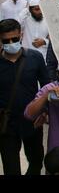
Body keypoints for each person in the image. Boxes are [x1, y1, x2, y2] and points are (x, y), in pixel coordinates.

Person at [0, 19, 50, 175]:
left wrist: (45, 111)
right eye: (5, 41)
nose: (10, 43)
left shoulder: (35, 58)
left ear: (21, 36)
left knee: (36, 161)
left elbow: (46, 85)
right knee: (11, 168)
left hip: (32, 122)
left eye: (14, 39)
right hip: (6, 124)